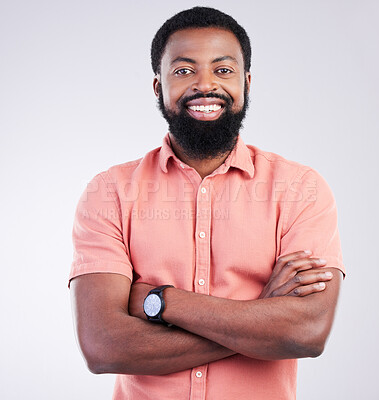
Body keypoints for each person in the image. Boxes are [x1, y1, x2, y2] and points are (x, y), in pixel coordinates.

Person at [69, 6, 345, 400]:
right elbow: (102, 345)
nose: (205, 85)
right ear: (157, 86)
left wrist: (159, 301)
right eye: (183, 71)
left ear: (246, 82)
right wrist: (261, 319)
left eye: (223, 69)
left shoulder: (302, 189)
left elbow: (306, 333)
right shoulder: (109, 192)